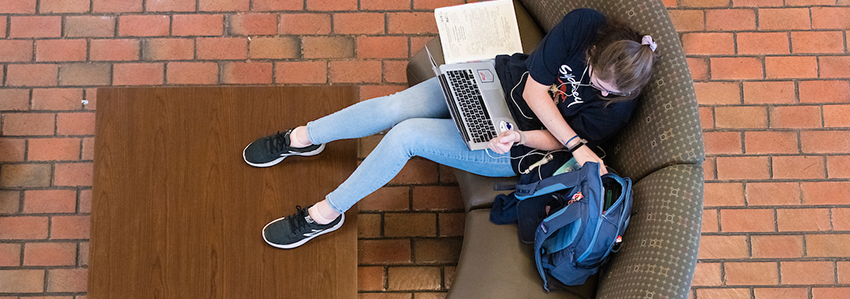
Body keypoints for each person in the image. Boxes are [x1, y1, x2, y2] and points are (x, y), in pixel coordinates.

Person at [242, 8, 657, 249]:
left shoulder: (616, 108)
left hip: (515, 146)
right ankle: (301, 138)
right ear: (596, 50)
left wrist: (520, 137)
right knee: (395, 106)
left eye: (604, 90)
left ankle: (326, 213)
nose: (595, 88)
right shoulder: (585, 24)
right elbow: (533, 91)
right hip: (497, 83)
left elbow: (552, 143)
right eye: (594, 76)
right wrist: (574, 141)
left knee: (406, 136)